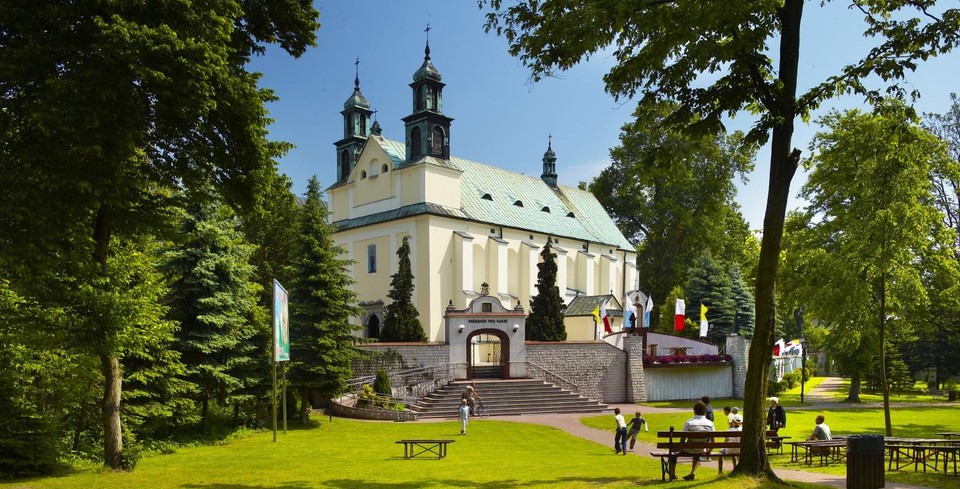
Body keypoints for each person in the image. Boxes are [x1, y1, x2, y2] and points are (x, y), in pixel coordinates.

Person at [668, 401, 715, 481]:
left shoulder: (689, 422)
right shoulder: (710, 423)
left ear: (694, 411)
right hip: (701, 450)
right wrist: (709, 451)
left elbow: (682, 438)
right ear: (705, 412)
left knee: (672, 450)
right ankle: (692, 472)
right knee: (697, 451)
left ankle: (672, 473)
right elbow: (713, 441)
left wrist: (681, 450)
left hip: (689, 449)